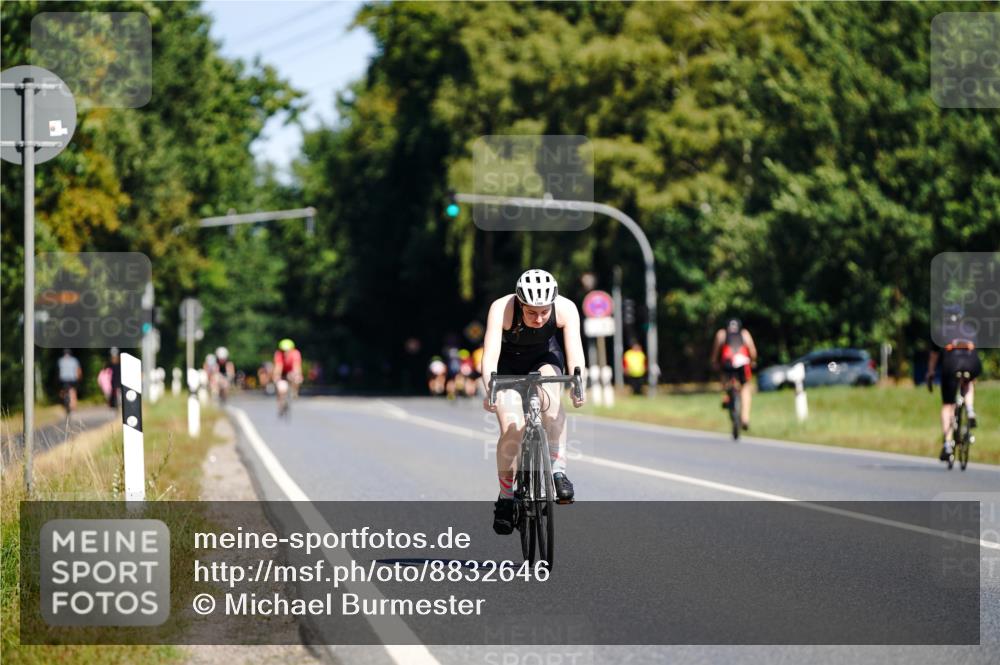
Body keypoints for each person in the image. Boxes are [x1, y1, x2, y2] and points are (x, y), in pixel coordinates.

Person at [481, 269, 586, 535]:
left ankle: (558, 472)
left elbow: (575, 353)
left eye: (544, 312)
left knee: (551, 403)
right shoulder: (502, 308)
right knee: (512, 426)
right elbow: (490, 355)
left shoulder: (566, 308)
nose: (538, 319)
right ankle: (506, 497)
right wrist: (489, 389)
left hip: (544, 360)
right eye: (531, 313)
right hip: (507, 367)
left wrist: (578, 385)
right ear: (519, 303)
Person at [926, 304, 981, 462]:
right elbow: (974, 351)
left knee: (947, 405)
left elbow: (934, 356)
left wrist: (930, 373)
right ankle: (970, 409)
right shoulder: (970, 329)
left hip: (951, 364)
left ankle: (948, 445)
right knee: (968, 382)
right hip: (972, 363)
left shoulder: (940, 331)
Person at [710, 317, 758, 431]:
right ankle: (745, 418)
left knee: (724, 379)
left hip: (727, 363)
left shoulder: (721, 334)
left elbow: (716, 351)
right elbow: (753, 351)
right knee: (745, 387)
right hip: (742, 362)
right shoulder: (745, 333)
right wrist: (753, 361)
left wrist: (714, 362)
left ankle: (726, 395)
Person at [272, 338, 303, 409]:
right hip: (283, 371)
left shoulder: (296, 354)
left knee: (297, 379)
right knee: (280, 387)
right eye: (283, 350)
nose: (285, 352)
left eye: (287, 350)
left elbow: (297, 367)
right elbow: (278, 367)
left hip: (291, 371)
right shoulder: (278, 354)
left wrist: (297, 375)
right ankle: (280, 402)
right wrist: (276, 377)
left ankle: (294, 392)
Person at [57, 348, 82, 413]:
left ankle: (63, 402)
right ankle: (73, 406)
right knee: (73, 391)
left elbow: (59, 370)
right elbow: (78, 370)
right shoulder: (74, 360)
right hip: (72, 379)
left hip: (63, 379)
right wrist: (79, 378)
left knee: (62, 391)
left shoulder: (60, 360)